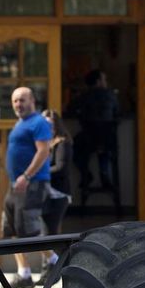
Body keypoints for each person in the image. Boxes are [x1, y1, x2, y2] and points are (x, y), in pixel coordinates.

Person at [3, 86, 53, 288]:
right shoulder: (20, 123)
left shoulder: (39, 122)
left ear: (32, 101)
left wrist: (27, 175)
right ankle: (23, 273)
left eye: (22, 100)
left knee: (29, 231)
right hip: (16, 184)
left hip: (32, 183)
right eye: (15, 101)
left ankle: (53, 260)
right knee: (12, 229)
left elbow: (43, 152)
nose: (18, 104)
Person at [69, 69, 120, 198]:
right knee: (104, 149)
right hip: (109, 139)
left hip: (88, 139)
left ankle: (86, 174)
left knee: (71, 148)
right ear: (98, 81)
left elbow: (70, 109)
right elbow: (118, 114)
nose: (106, 82)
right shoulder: (111, 95)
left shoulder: (84, 96)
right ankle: (104, 174)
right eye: (104, 79)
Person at [43, 109, 73, 238]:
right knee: (43, 232)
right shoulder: (43, 143)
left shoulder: (62, 143)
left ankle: (59, 258)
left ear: (57, 125)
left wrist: (40, 173)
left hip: (58, 193)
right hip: (44, 192)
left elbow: (61, 168)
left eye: (51, 124)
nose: (47, 128)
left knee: (52, 232)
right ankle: (51, 258)